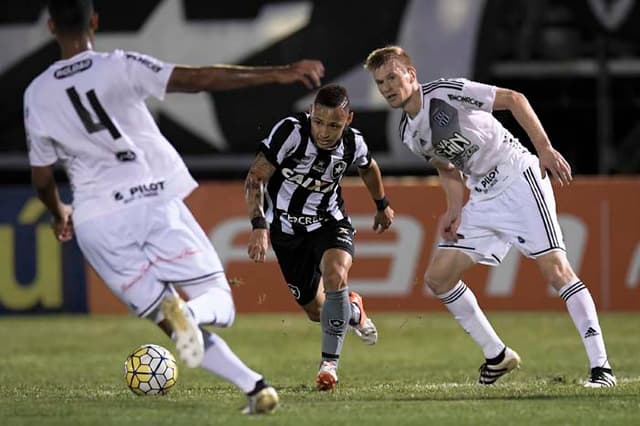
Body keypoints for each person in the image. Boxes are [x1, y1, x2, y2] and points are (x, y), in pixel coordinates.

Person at [25, 0, 326, 415]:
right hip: (149, 200)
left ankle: (255, 389)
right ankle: (193, 312)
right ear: (95, 21)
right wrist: (278, 72)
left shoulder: (36, 94)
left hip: (96, 221)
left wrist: (60, 212)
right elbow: (199, 78)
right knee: (215, 300)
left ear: (50, 26)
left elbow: (41, 177)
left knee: (173, 322)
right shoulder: (119, 64)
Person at [364, 46, 616, 388]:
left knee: (556, 271)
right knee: (438, 278)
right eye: (381, 83)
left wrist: (543, 148)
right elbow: (447, 167)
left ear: (411, 75)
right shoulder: (409, 133)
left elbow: (514, 98)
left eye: (392, 77)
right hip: (483, 196)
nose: (388, 87)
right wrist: (454, 209)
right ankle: (497, 355)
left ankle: (602, 368)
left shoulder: (445, 92)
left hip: (517, 176)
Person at [244, 84, 394, 391]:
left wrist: (382, 204)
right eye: (319, 122)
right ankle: (353, 310)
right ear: (311, 113)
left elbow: (368, 168)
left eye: (334, 125)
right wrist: (259, 223)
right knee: (318, 312)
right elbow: (256, 176)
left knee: (336, 274)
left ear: (348, 119)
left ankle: (329, 365)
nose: (325, 132)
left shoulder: (353, 143)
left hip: (330, 222)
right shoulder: (290, 133)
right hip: (286, 232)